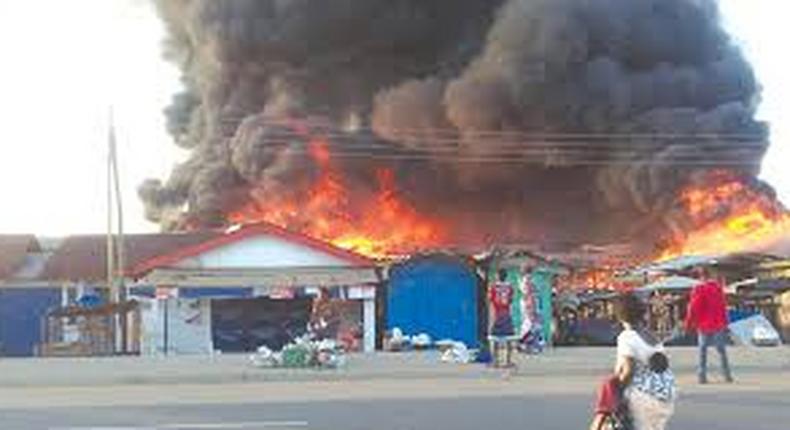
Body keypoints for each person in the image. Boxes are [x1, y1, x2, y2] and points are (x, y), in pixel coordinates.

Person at [590, 294, 675, 430]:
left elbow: (629, 370)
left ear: (620, 315)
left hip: (642, 395)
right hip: (665, 393)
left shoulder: (627, 337)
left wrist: (618, 388)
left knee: (605, 405)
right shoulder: (652, 336)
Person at [684, 266, 733, 384]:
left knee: (703, 350)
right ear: (710, 275)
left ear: (701, 276)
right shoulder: (717, 288)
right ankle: (727, 375)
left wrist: (688, 323)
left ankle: (702, 376)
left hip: (704, 325)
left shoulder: (699, 288)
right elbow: (723, 306)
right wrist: (726, 322)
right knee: (721, 350)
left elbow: (693, 307)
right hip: (718, 323)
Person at [489, 268, 515, 367]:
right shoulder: (510, 287)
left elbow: (491, 301)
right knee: (509, 338)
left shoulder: (494, 287)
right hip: (506, 313)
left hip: (497, 314)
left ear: (498, 276)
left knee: (495, 338)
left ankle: (496, 361)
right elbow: (511, 300)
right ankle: (508, 361)